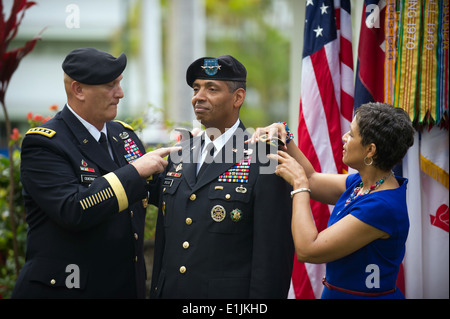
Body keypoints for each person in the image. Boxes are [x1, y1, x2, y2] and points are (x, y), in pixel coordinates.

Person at [12, 48, 178, 298]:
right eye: (110, 85)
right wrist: (134, 172)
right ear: (78, 90)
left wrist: (201, 154)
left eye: (119, 84)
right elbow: (73, 209)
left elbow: (162, 190)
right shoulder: (45, 144)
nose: (120, 94)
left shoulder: (123, 136)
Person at [148, 55, 294, 299]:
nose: (198, 96)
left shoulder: (264, 157)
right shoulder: (178, 154)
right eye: (196, 88)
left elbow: (272, 258)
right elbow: (165, 244)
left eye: (211, 89)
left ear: (238, 98)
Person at [250, 102, 415, 298]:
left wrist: (299, 185)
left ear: (370, 150)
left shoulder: (381, 206)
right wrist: (284, 134)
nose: (344, 137)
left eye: (352, 134)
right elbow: (312, 179)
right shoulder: (367, 183)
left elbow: (308, 250)